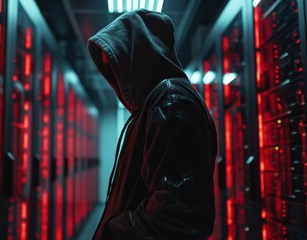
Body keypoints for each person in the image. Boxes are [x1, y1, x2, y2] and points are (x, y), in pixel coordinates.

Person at [87, 8, 217, 240]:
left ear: (138, 56)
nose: (115, 79)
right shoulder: (161, 102)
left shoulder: (172, 101)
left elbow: (175, 216)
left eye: (118, 66)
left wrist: (111, 232)